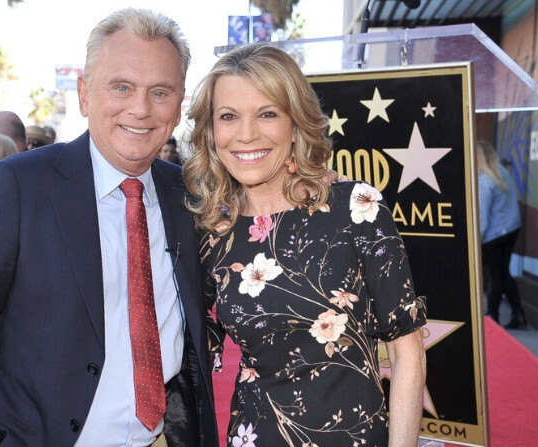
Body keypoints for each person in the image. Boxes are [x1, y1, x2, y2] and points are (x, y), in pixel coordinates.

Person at [0, 8, 218, 447]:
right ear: (85, 94)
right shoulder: (20, 185)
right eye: (121, 87)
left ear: (179, 105)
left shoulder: (189, 195)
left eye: (160, 92)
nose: (140, 109)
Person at [183, 44, 427, 447]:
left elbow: (407, 354)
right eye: (228, 116)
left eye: (267, 113)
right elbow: (190, 356)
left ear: (295, 124)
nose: (246, 134)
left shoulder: (356, 209)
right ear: (211, 132)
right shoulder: (213, 232)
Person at [477, 140, 526, 328]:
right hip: (511, 229)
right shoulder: (501, 172)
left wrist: (476, 243)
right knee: (504, 274)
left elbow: (482, 218)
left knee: (494, 276)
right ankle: (518, 314)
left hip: (494, 235)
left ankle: (492, 318)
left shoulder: (483, 181)